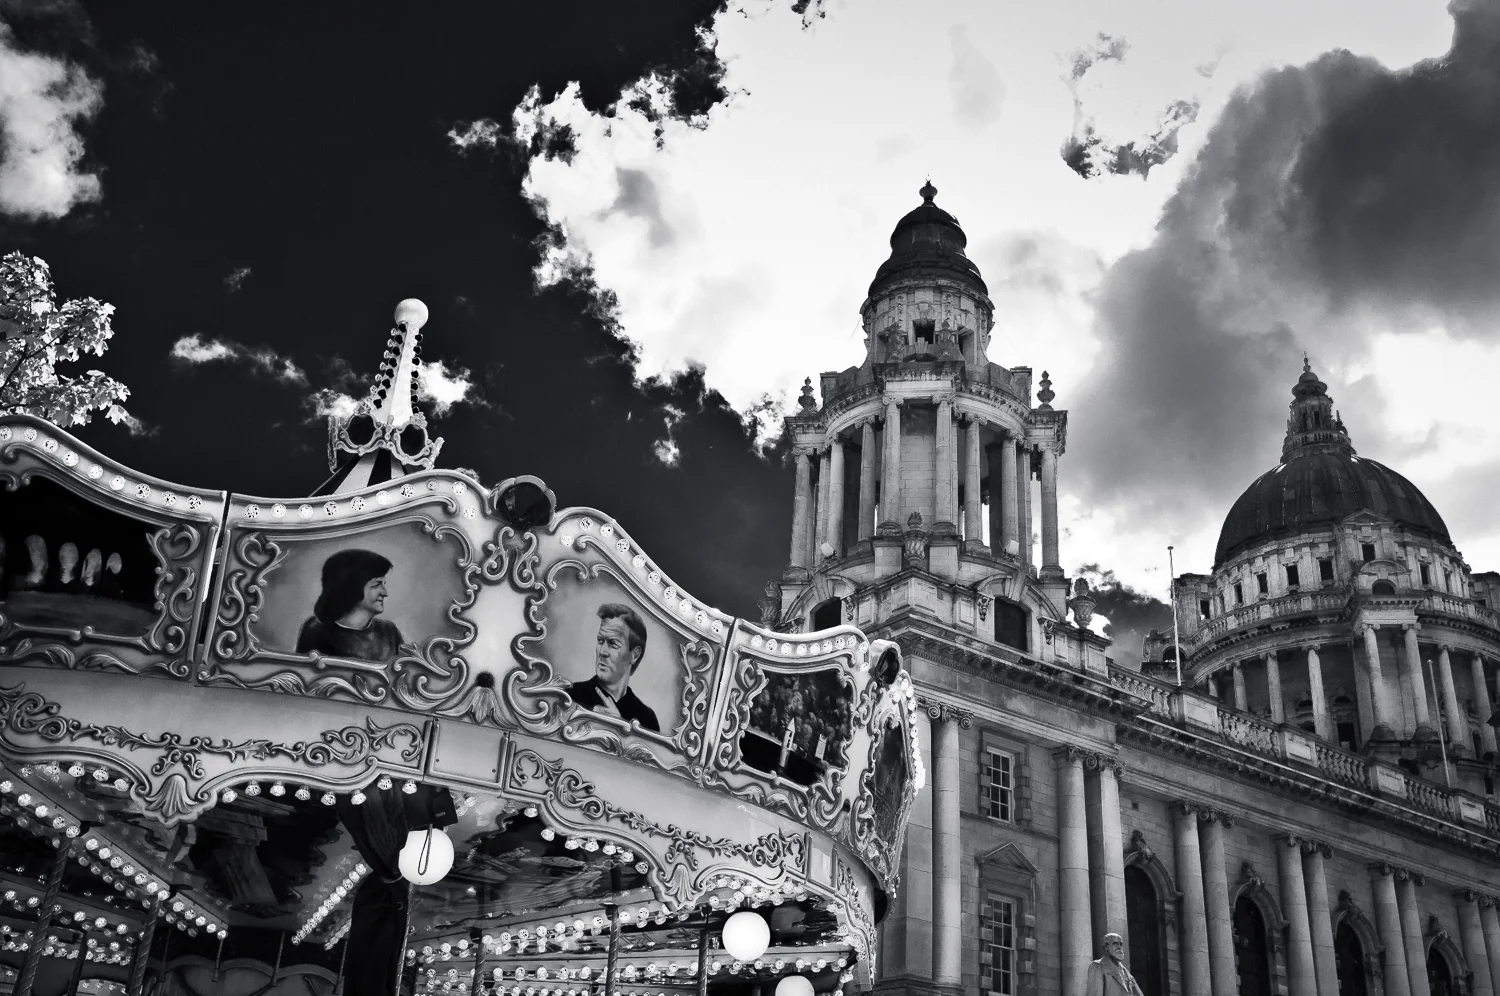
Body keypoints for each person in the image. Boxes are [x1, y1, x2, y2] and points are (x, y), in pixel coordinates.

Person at [296, 549, 405, 663]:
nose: (385, 593)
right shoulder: (316, 632)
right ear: (353, 588)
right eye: (376, 585)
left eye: (383, 584)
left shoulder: (389, 631)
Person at [567, 603, 659, 732]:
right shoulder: (571, 696)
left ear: (635, 655)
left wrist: (618, 725)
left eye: (613, 644)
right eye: (600, 641)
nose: (602, 651)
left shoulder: (647, 720)